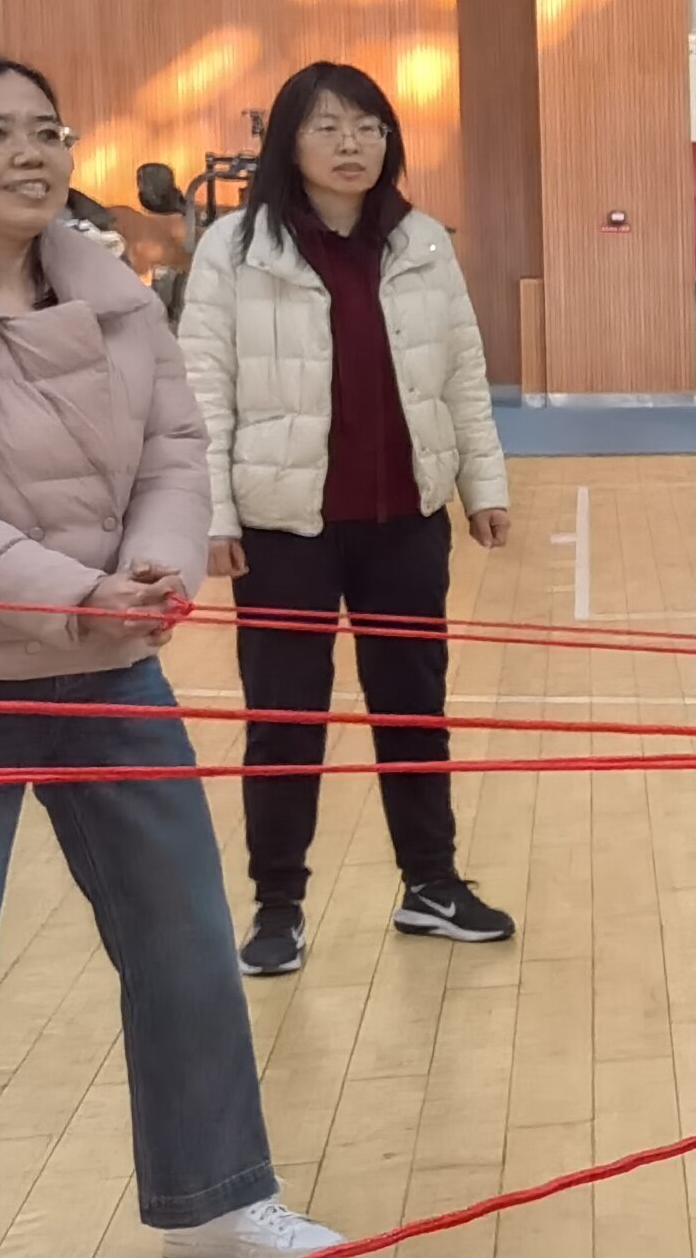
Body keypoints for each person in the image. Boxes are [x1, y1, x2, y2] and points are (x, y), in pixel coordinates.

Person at [0, 55, 340, 1258]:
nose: (31, 153)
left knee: (185, 948)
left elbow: (175, 448)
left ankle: (215, 1195)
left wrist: (151, 572)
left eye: (47, 130)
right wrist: (75, 593)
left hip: (111, 666)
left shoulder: (112, 288)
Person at [175, 62, 516, 978]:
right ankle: (277, 905)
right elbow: (200, 389)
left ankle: (431, 884)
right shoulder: (235, 248)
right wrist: (211, 513)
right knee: (284, 720)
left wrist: (482, 486)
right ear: (288, 141)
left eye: (368, 126)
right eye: (326, 127)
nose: (351, 144)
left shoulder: (421, 241)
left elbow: (462, 371)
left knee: (415, 710)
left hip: (404, 520)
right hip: (281, 527)